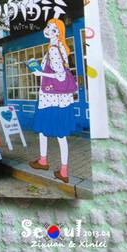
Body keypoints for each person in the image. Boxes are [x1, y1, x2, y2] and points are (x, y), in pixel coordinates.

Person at [29, 18, 78, 183]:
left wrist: (40, 73)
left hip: (52, 99)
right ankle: (45, 161)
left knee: (58, 134)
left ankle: (62, 170)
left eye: (54, 29)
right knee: (47, 132)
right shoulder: (57, 48)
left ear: (59, 33)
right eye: (48, 26)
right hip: (56, 99)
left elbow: (60, 75)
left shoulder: (54, 50)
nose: (48, 30)